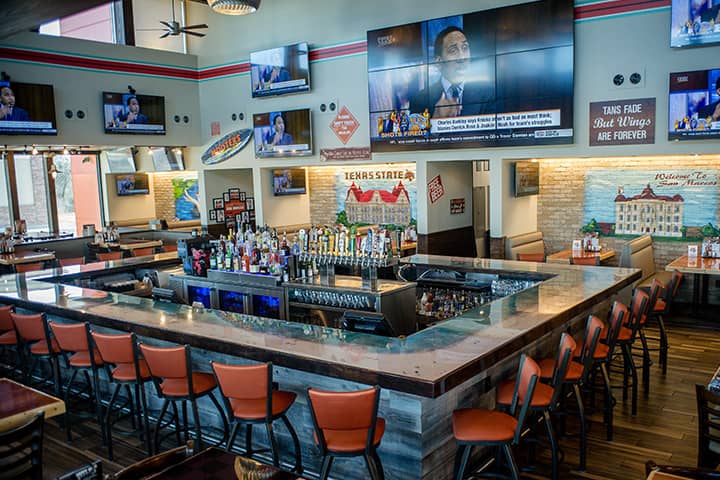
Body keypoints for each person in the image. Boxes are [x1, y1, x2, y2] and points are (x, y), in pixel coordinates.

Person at [409, 26, 492, 119]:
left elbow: (499, 133)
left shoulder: (488, 93)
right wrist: (435, 120)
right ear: (439, 62)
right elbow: (416, 132)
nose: (462, 57)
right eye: (453, 50)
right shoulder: (420, 100)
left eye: (465, 48)